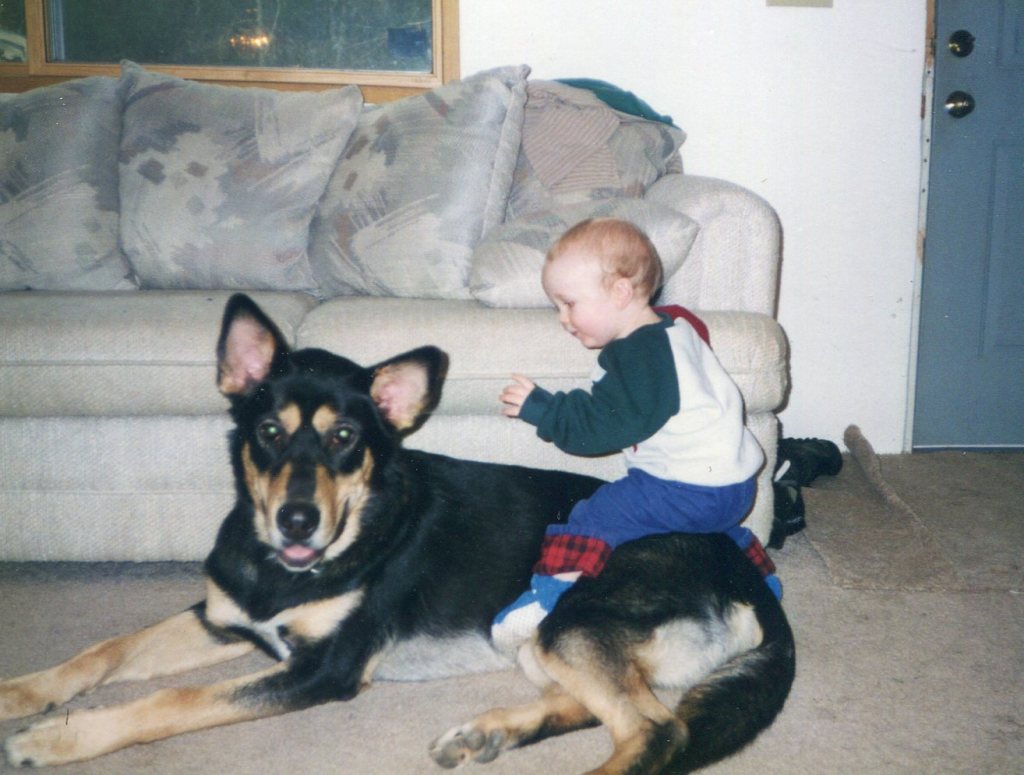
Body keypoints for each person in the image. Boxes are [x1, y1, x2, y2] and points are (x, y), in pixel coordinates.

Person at [491, 217, 781, 655]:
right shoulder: (677, 325)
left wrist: (543, 409)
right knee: (699, 532)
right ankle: (758, 581)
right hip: (734, 489)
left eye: (569, 304)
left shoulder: (639, 357)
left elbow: (598, 427)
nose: (563, 319)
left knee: (595, 516)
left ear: (621, 292)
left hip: (686, 488)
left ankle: (542, 603)